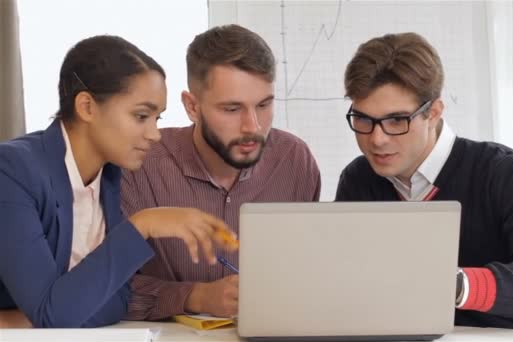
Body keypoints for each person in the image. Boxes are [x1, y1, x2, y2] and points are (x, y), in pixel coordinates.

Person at [335, 32, 513, 333]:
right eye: (363, 120)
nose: (376, 138)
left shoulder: (506, 172)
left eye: (396, 121)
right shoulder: (359, 180)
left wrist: (452, 285)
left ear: (434, 112)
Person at [0, 35, 236, 328]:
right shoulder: (11, 170)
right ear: (86, 107)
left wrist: (29, 319)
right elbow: (54, 315)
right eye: (141, 116)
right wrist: (142, 225)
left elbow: (116, 305)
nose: (154, 134)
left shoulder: (110, 175)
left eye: (157, 119)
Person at [121, 24, 321, 320]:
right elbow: (106, 288)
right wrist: (196, 296)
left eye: (264, 105)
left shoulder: (294, 160)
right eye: (231, 109)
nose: (253, 126)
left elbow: (310, 272)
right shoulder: (140, 165)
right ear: (192, 106)